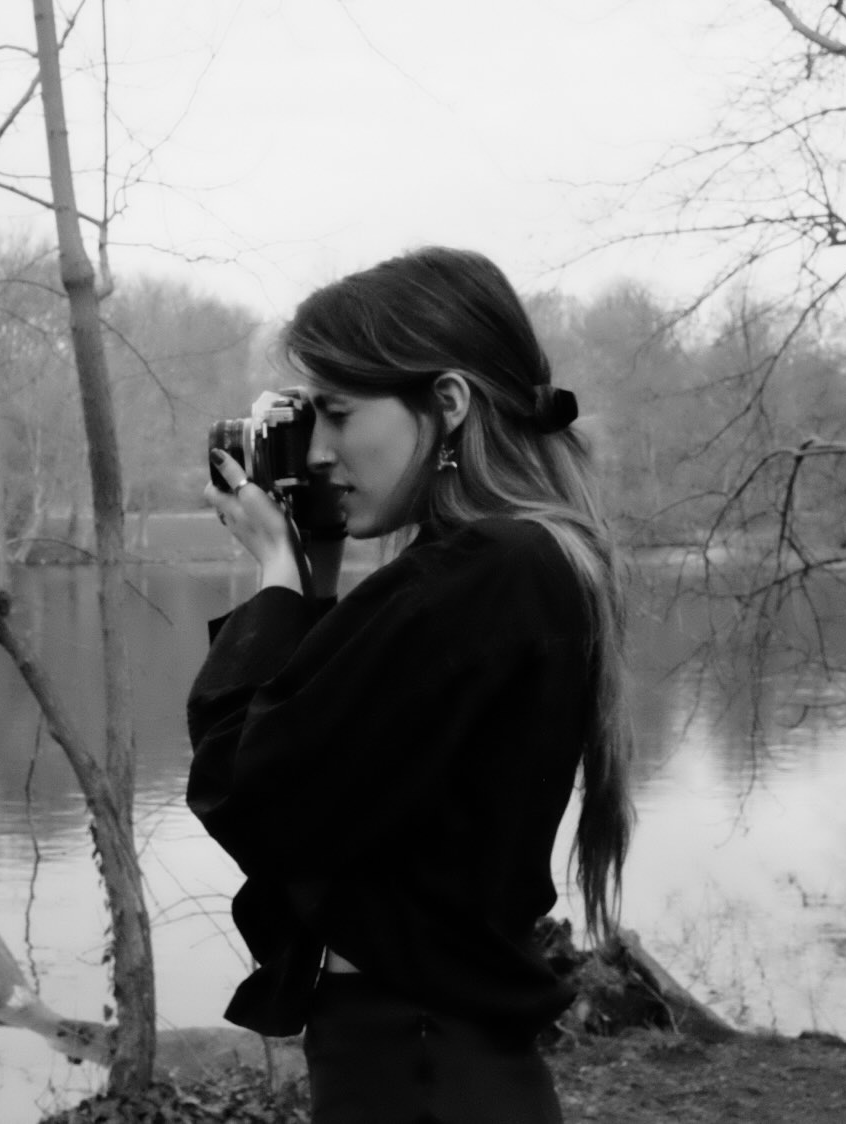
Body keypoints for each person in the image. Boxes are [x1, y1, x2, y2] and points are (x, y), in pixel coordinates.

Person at [186, 246, 632, 1123]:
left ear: (449, 405)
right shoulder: (515, 561)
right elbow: (336, 787)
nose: (317, 452)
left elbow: (251, 793)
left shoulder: (482, 573)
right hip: (429, 1055)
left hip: (416, 1065)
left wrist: (277, 573)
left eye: (339, 415)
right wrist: (311, 577)